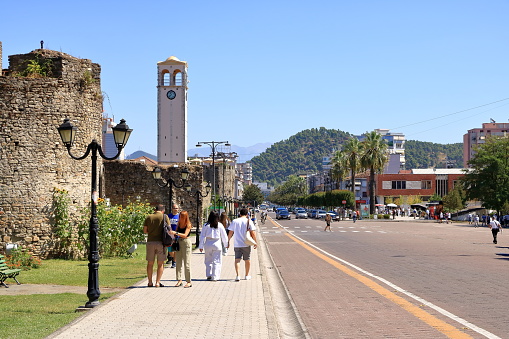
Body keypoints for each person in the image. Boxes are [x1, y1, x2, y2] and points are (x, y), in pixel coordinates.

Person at [228, 208, 258, 281]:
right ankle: (247, 275)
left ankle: (238, 275)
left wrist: (228, 241)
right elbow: (253, 232)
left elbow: (230, 232)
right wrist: (255, 242)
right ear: (247, 214)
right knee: (247, 259)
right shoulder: (249, 221)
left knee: (237, 260)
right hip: (246, 244)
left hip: (237, 244)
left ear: (239, 214)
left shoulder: (235, 221)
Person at [143, 204, 169, 287]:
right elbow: (169, 229)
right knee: (160, 263)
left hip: (150, 241)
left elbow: (145, 230)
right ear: (163, 210)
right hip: (161, 242)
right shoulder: (164, 217)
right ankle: (157, 282)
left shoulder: (149, 217)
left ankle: (150, 282)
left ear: (155, 209)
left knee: (150, 263)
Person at [199, 211, 228, 281]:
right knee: (217, 260)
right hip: (217, 243)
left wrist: (201, 246)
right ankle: (215, 276)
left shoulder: (206, 225)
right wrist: (226, 244)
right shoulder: (219, 225)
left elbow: (202, 236)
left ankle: (209, 274)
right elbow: (224, 236)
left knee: (208, 260)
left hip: (208, 243)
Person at [169, 210, 193, 288]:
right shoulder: (179, 224)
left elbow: (185, 235)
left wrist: (176, 233)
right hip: (179, 242)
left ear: (186, 217)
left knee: (187, 263)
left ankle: (188, 281)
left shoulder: (188, 224)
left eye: (182, 216)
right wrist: (173, 234)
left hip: (186, 243)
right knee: (178, 262)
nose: (181, 218)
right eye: (180, 216)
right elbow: (176, 232)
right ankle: (179, 280)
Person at [166, 203, 180, 267]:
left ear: (178, 209)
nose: (175, 209)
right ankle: (174, 258)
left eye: (176, 208)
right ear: (172, 209)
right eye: (174, 208)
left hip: (177, 235)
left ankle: (174, 262)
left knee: (176, 250)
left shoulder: (180, 216)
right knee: (170, 250)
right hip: (169, 235)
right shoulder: (169, 216)